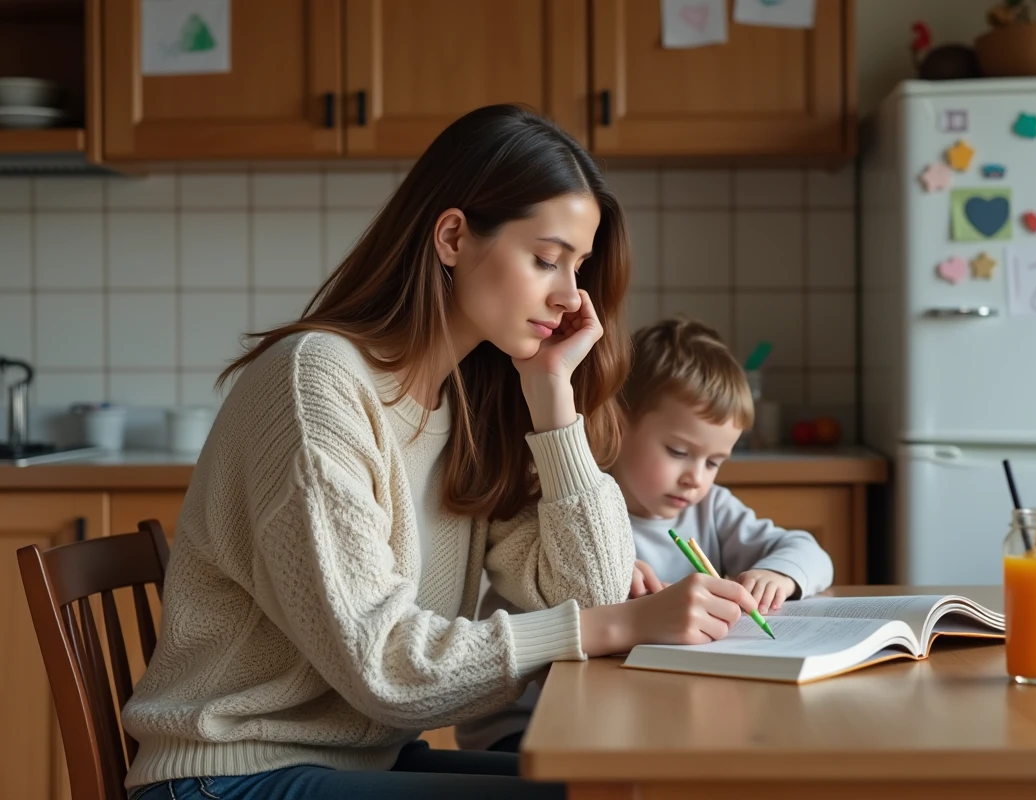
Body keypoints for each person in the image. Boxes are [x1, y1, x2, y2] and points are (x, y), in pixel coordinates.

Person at [121, 106, 759, 800]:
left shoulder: (471, 406)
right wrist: (621, 624)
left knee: (633, 787)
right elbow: (386, 670)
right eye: (546, 259)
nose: (570, 296)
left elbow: (593, 592)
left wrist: (553, 397)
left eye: (577, 267)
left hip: (361, 761)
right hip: (229, 775)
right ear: (452, 237)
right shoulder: (316, 383)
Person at [457, 316, 834, 753]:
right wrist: (608, 575)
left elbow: (810, 553)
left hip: (647, 713)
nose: (695, 478)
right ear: (618, 423)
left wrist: (778, 573)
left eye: (714, 462)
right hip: (529, 725)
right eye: (679, 451)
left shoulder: (710, 508)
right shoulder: (567, 507)